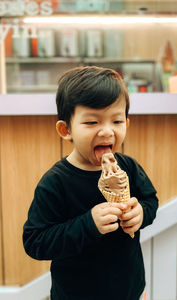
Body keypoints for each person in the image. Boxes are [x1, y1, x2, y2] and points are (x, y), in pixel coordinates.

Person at [23, 66, 158, 300]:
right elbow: (35, 242)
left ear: (126, 124)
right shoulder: (56, 182)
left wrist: (141, 214)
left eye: (116, 121)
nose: (107, 131)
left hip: (130, 290)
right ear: (66, 129)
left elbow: (150, 201)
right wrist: (88, 224)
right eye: (92, 122)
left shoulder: (129, 168)